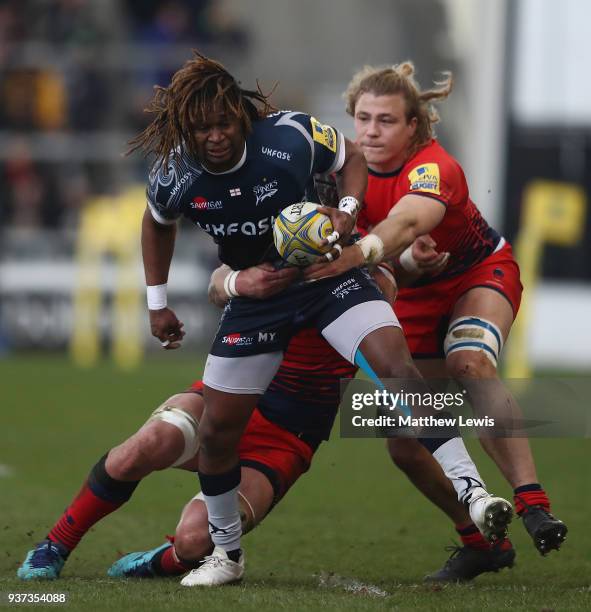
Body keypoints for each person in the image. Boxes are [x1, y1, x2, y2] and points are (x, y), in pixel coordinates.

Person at [131, 51, 488, 586]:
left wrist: (347, 214)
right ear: (187, 128)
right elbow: (160, 224)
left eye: (224, 122)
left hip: (326, 280)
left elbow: (351, 164)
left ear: (241, 114)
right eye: (201, 128)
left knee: (397, 369)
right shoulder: (175, 171)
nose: (215, 136)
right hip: (262, 299)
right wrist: (159, 302)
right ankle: (226, 557)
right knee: (217, 433)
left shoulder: (292, 136)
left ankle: (474, 493)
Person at [17, 263, 513, 584]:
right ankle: (54, 546)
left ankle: (159, 563)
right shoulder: (277, 239)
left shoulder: (370, 281)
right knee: (148, 443)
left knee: (194, 541)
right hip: (232, 401)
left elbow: (395, 278)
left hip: (287, 438)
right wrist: (237, 282)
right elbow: (217, 283)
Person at [304, 62, 567, 578]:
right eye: (363, 118)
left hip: (477, 273)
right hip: (413, 295)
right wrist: (401, 263)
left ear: (414, 128)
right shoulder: (337, 174)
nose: (372, 131)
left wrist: (360, 255)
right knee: (404, 441)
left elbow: (406, 221)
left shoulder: (432, 166)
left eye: (386, 120)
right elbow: (398, 252)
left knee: (468, 362)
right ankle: (481, 540)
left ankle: (533, 503)